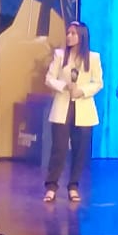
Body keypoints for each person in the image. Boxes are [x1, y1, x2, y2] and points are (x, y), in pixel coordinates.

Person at [43, 21, 102, 203]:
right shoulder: (60, 55)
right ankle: (51, 187)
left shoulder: (93, 58)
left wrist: (82, 91)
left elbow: (98, 83)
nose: (69, 36)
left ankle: (73, 186)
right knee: (59, 150)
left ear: (82, 36)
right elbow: (49, 79)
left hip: (83, 109)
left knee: (80, 151)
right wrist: (64, 86)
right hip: (62, 107)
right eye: (68, 33)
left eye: (73, 33)